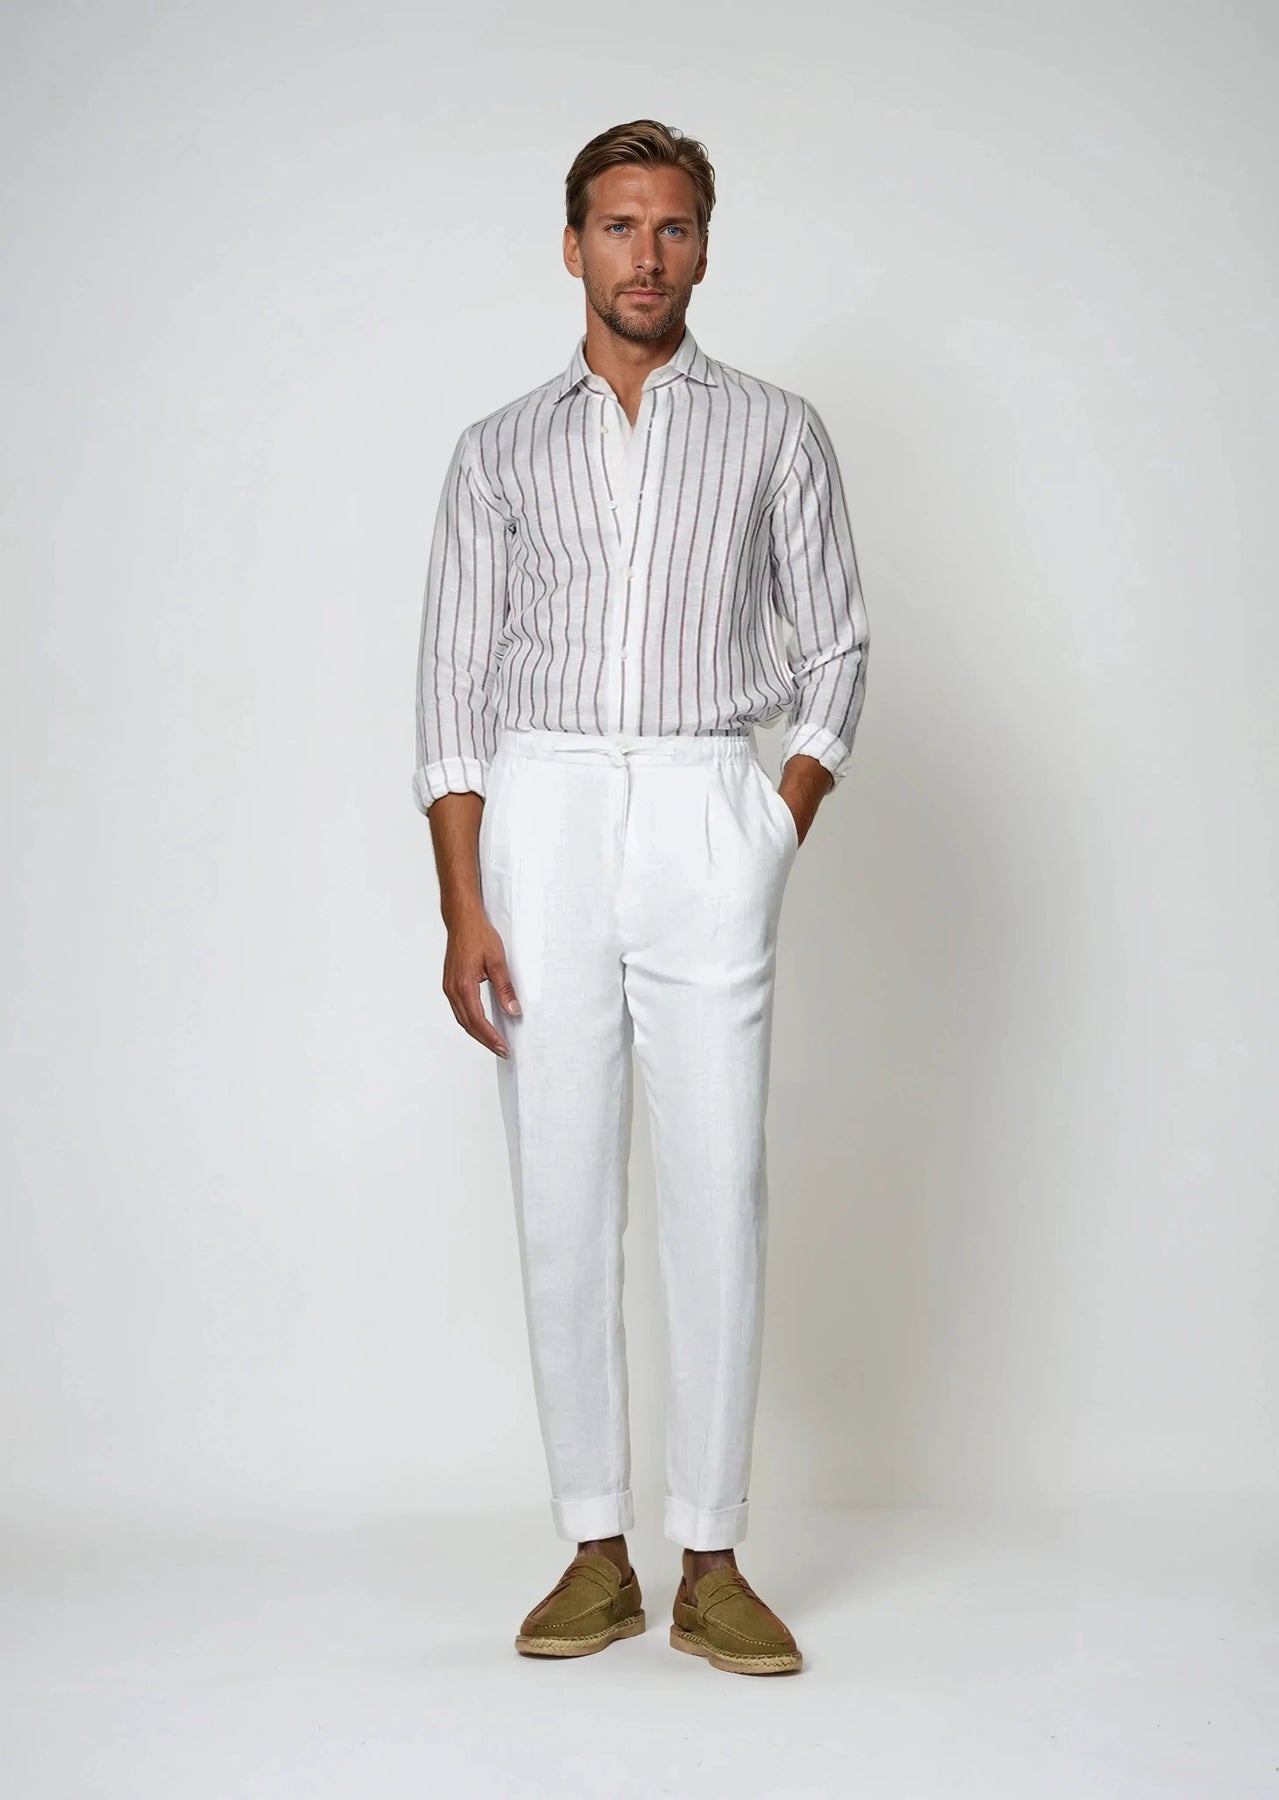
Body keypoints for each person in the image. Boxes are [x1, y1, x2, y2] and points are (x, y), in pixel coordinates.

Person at [413, 119, 869, 1676]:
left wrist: (769, 825)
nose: (645, 254)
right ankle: (595, 1549)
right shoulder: (497, 450)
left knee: (716, 1182)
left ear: (703, 248)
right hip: (538, 809)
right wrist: (464, 906)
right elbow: (451, 688)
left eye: (671, 226)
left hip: (700, 801)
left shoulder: (774, 430)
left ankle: (714, 1558)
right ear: (572, 246)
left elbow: (834, 647)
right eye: (617, 226)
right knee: (560, 1187)